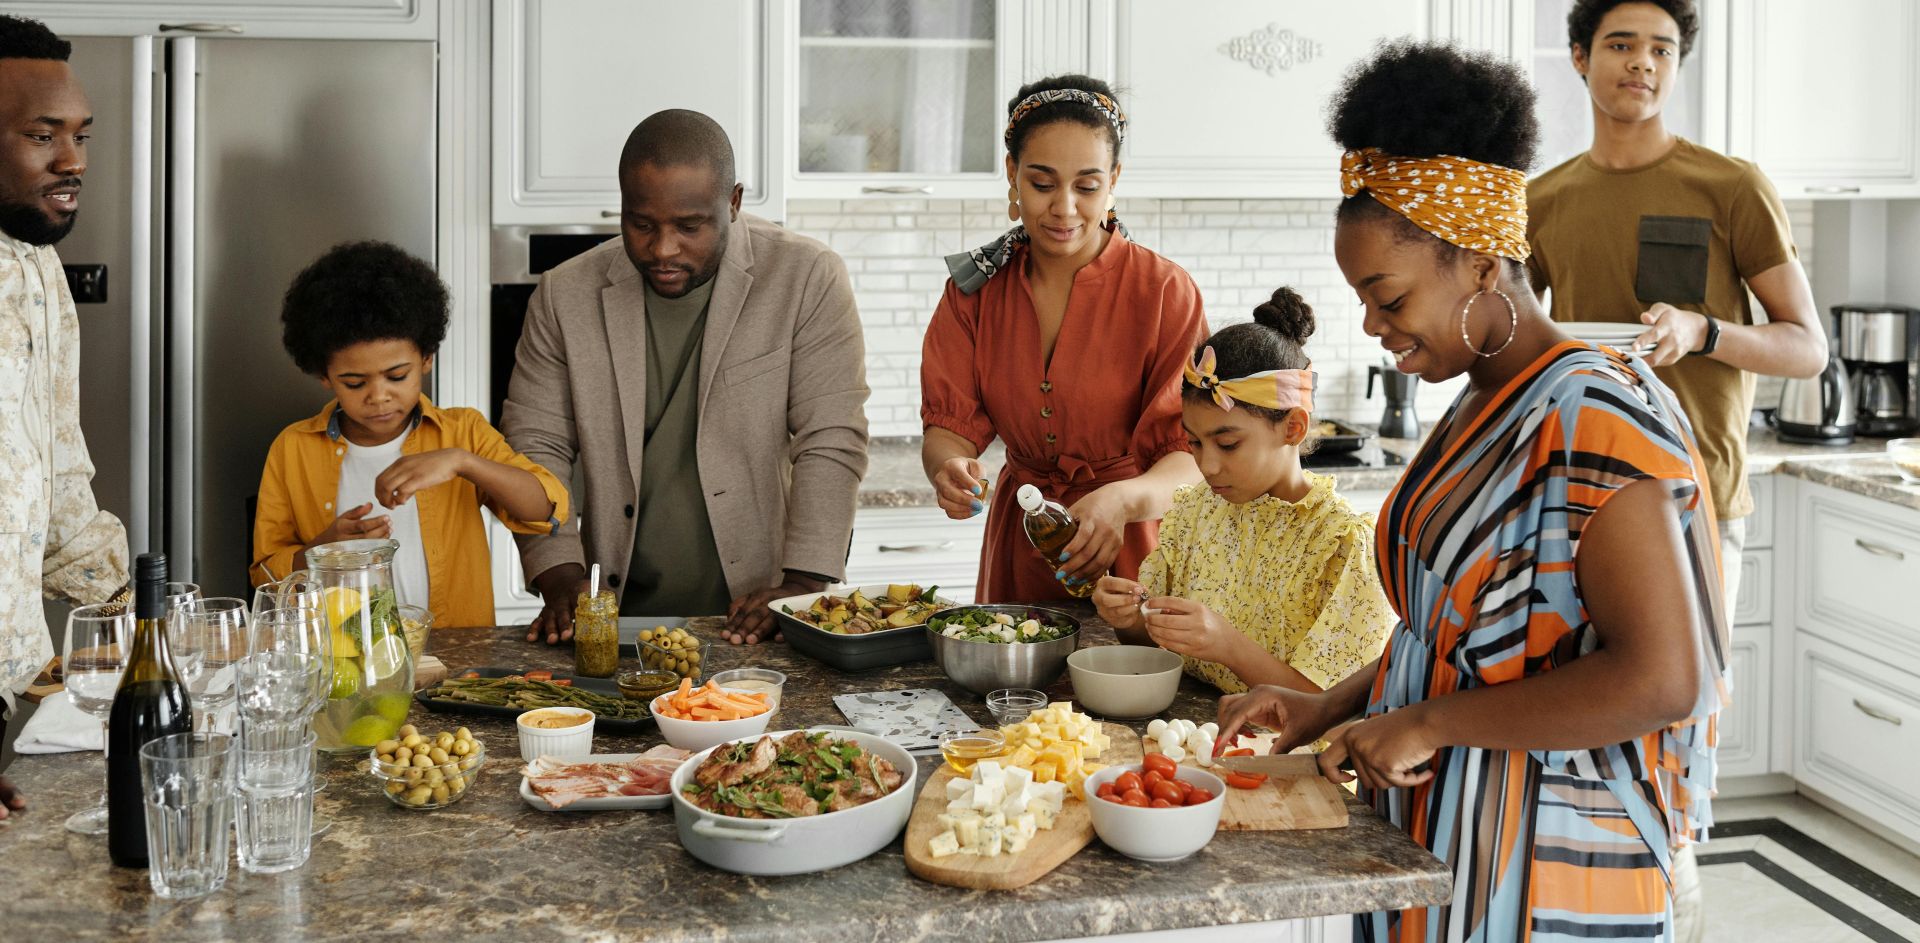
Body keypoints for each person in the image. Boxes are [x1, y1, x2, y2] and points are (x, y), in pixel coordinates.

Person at [1219, 41, 1730, 943]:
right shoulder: (1481, 402)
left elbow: (1664, 677)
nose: (1374, 328)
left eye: (1387, 296)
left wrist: (1429, 722)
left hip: (1548, 860)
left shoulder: (1593, 414)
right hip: (1449, 831)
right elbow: (1470, 638)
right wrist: (1328, 705)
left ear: (1484, 265)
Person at [504, 109, 869, 647]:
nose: (663, 249)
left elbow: (831, 437)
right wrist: (558, 572)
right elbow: (535, 444)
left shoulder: (806, 277)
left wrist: (802, 585)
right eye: (642, 223)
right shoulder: (565, 294)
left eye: (690, 226)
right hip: (618, 616)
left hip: (758, 612)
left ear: (735, 203)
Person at [921, 75, 1207, 601]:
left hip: (1137, 547)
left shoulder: (1165, 292)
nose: (1065, 208)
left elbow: (1191, 456)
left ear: (1114, 179)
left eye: (1087, 186)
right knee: (1013, 681)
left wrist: (1120, 502)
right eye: (1043, 183)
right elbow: (949, 428)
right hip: (1021, 542)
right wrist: (949, 469)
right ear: (1012, 175)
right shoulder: (973, 294)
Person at [252, 241, 569, 629]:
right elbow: (266, 576)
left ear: (427, 358)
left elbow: (546, 510)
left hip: (455, 657)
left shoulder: (462, 432)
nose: (379, 396)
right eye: (354, 383)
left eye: (397, 376)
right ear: (324, 376)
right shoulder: (293, 449)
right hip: (339, 658)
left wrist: (461, 462)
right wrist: (325, 551)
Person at [1092, 287, 1395, 694]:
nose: (1207, 465)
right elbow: (1160, 649)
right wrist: (1130, 621)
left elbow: (1331, 708)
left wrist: (1228, 646)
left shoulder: (1341, 545)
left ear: (1293, 428)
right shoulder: (1194, 512)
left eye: (1228, 443)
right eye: (1194, 443)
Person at [0, 14, 130, 820]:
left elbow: (54, 475)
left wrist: (143, 619)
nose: (72, 161)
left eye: (80, 134)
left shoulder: (39, 272)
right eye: (41, 135)